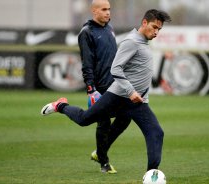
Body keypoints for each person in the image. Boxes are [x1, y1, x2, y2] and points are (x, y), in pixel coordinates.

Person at [41, 9, 171, 171]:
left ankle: (152, 175)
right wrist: (131, 91)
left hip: (137, 103)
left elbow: (140, 75)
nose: (156, 32)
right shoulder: (131, 42)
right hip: (117, 97)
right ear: (144, 22)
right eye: (154, 27)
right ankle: (60, 106)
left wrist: (142, 97)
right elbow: (116, 69)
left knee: (156, 133)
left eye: (159, 29)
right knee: (84, 119)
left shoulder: (143, 43)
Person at [79, 0, 131, 173]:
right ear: (94, 11)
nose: (108, 13)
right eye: (104, 9)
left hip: (116, 84)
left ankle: (99, 153)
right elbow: (87, 63)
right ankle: (104, 163)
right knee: (104, 123)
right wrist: (91, 89)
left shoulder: (109, 28)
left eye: (109, 9)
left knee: (125, 117)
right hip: (100, 86)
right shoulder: (86, 32)